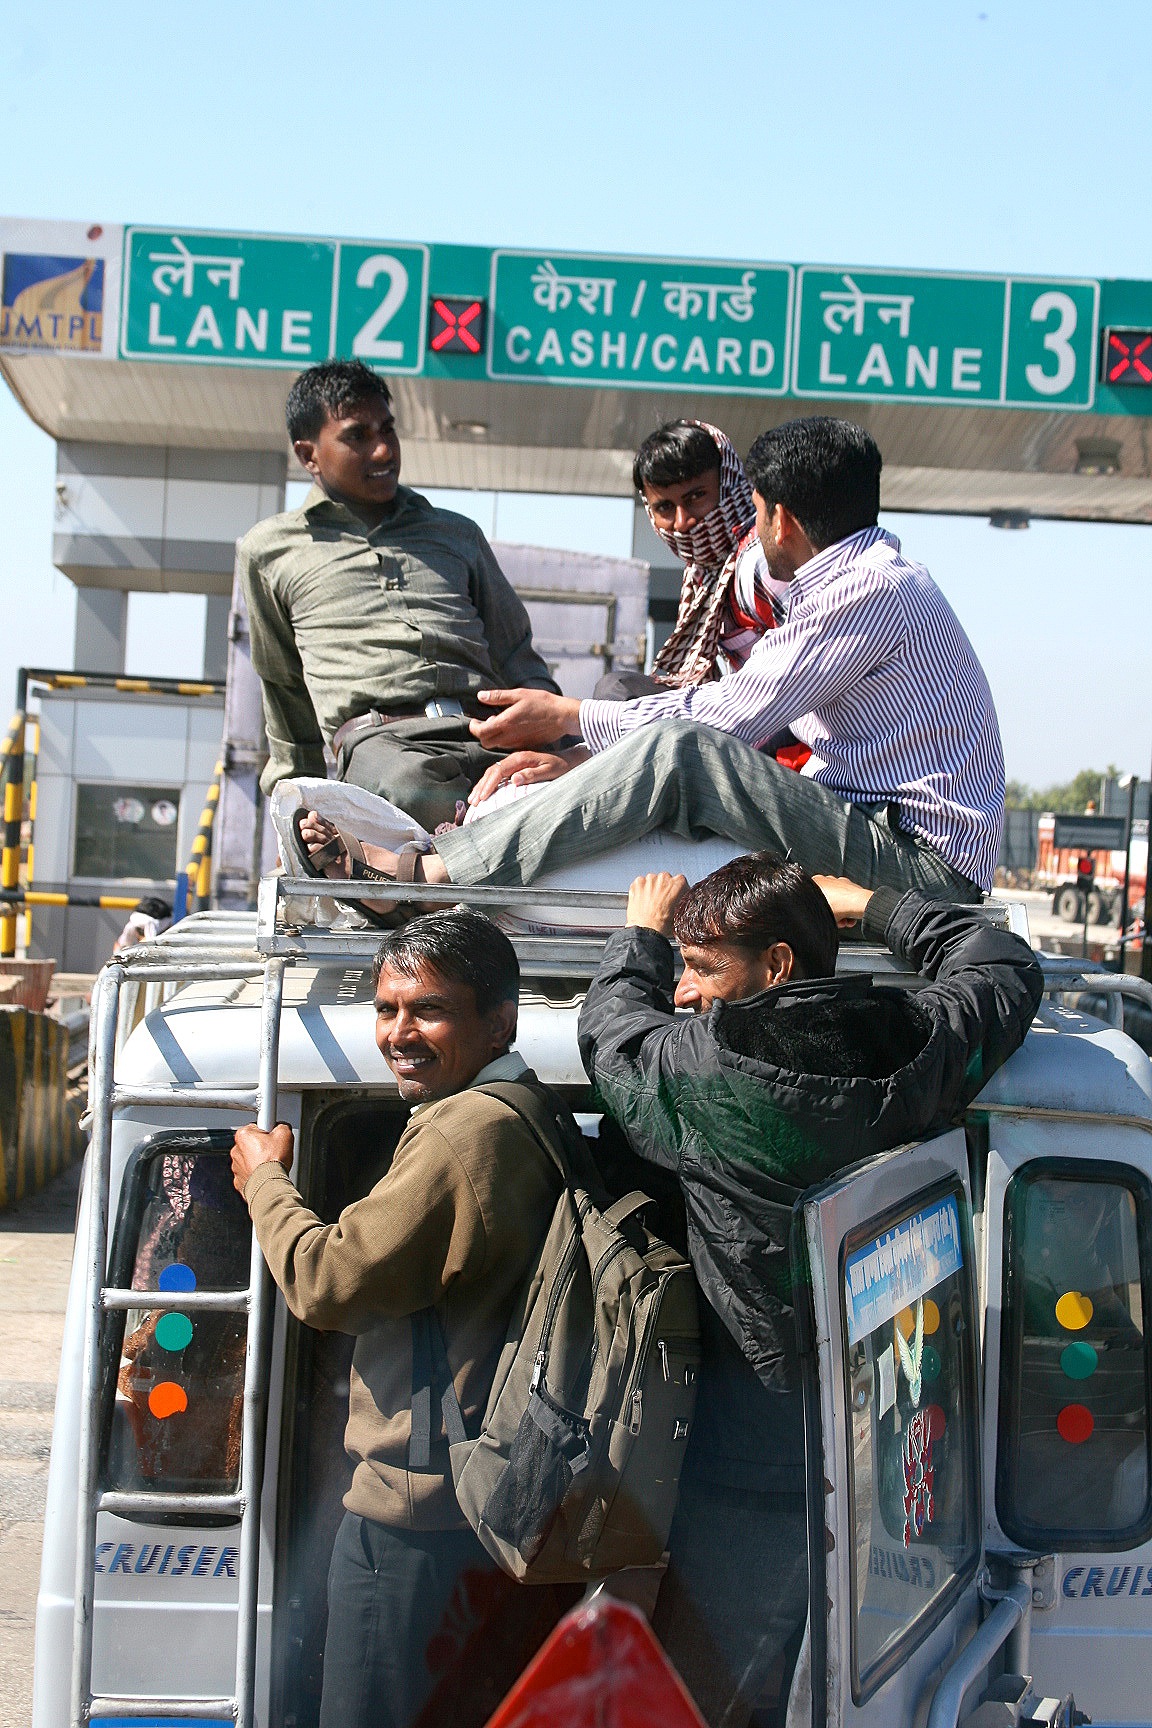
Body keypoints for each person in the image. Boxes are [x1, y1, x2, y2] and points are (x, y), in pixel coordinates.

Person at [576, 855, 1044, 1726]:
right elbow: (1004, 965)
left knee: (703, 1698)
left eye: (700, 968)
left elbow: (607, 1037)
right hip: (894, 1454)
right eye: (679, 969)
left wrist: (638, 937)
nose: (680, 992)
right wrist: (876, 905)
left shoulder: (699, 1077)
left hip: (749, 1455)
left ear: (778, 966)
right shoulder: (920, 1043)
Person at [294, 417, 1005, 903]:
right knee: (647, 728)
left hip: (919, 865)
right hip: (866, 815)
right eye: (661, 507)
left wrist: (570, 719)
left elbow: (728, 718)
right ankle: (468, 845)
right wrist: (582, 754)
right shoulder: (849, 576)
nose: (685, 524)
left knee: (681, 751)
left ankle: (433, 873)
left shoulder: (863, 591)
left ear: (778, 518)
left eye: (733, 506)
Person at [229, 909, 573, 1728]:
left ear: (500, 1022)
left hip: (417, 1519)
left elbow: (327, 1281)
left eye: (429, 1010)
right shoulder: (523, 1107)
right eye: (387, 1009)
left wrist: (264, 1183)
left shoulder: (466, 1133)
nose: (399, 1033)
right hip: (483, 1502)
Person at [237, 358, 559, 832]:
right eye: (358, 436)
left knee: (583, 798)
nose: (384, 450)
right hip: (385, 750)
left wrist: (552, 750)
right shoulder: (269, 552)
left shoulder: (457, 534)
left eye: (388, 430)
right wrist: (299, 817)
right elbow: (286, 696)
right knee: (417, 793)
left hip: (490, 734)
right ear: (309, 454)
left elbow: (516, 657)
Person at [595, 418, 786, 702]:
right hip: (751, 714)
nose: (683, 523)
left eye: (696, 497)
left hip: (785, 723)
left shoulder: (758, 563)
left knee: (618, 692)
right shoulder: (703, 575)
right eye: (665, 507)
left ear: (728, 486)